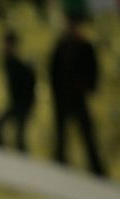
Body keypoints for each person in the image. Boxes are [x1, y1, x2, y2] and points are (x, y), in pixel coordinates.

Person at [49, 12, 105, 178]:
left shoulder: (84, 46)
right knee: (61, 135)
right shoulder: (61, 46)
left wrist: (88, 87)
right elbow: (54, 72)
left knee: (87, 134)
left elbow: (93, 70)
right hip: (63, 98)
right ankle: (60, 164)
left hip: (78, 97)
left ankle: (96, 169)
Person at [0, 30, 36, 152]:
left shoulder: (17, 66)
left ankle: (6, 155)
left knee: (19, 135)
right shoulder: (10, 63)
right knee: (8, 128)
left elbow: (29, 83)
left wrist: (26, 102)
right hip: (17, 103)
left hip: (23, 104)